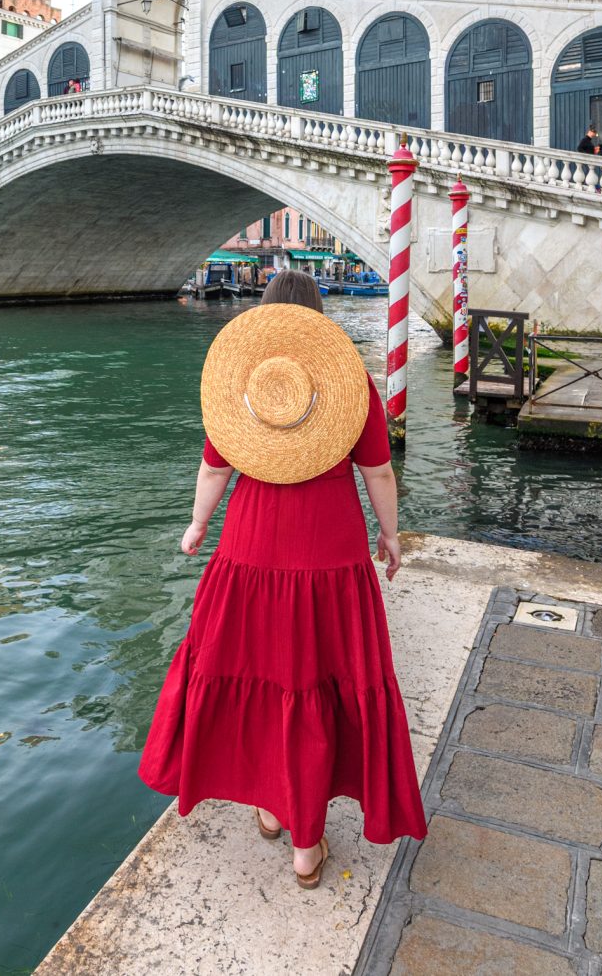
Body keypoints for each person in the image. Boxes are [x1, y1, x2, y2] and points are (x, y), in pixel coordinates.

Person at [139, 269, 426, 888]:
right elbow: (378, 473)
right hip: (330, 554)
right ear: (317, 318)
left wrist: (195, 528)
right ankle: (307, 843)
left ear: (266, 320)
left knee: (262, 674)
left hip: (251, 551)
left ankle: (272, 810)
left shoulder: (244, 387)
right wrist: (390, 536)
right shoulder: (352, 387)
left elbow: (214, 470)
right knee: (320, 679)